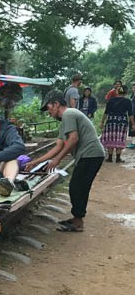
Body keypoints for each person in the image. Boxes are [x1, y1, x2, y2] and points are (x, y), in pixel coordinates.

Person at [27, 92, 105, 232]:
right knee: (78, 187)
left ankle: (78, 221)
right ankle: (77, 218)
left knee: (77, 187)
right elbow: (59, 145)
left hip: (91, 155)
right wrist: (36, 162)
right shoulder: (65, 121)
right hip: (89, 156)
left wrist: (57, 159)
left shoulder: (69, 114)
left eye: (49, 108)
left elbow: (73, 139)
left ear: (56, 104)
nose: (49, 112)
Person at [100, 85, 133, 163]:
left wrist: (102, 122)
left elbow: (106, 112)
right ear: (126, 92)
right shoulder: (128, 101)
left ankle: (110, 158)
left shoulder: (111, 100)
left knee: (110, 138)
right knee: (120, 139)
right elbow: (130, 114)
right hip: (122, 122)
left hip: (111, 121)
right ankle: (118, 158)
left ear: (117, 91)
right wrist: (133, 124)